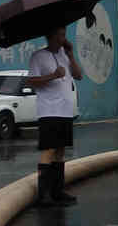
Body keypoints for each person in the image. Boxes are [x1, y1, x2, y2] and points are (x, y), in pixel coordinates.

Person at [27, 25, 84, 207]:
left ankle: (57, 191)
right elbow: (32, 81)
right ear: (50, 37)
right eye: (60, 35)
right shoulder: (38, 56)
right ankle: (43, 196)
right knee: (49, 150)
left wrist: (71, 55)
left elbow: (79, 75)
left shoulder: (64, 56)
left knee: (60, 150)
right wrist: (53, 75)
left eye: (64, 34)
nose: (63, 38)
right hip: (49, 111)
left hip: (65, 111)